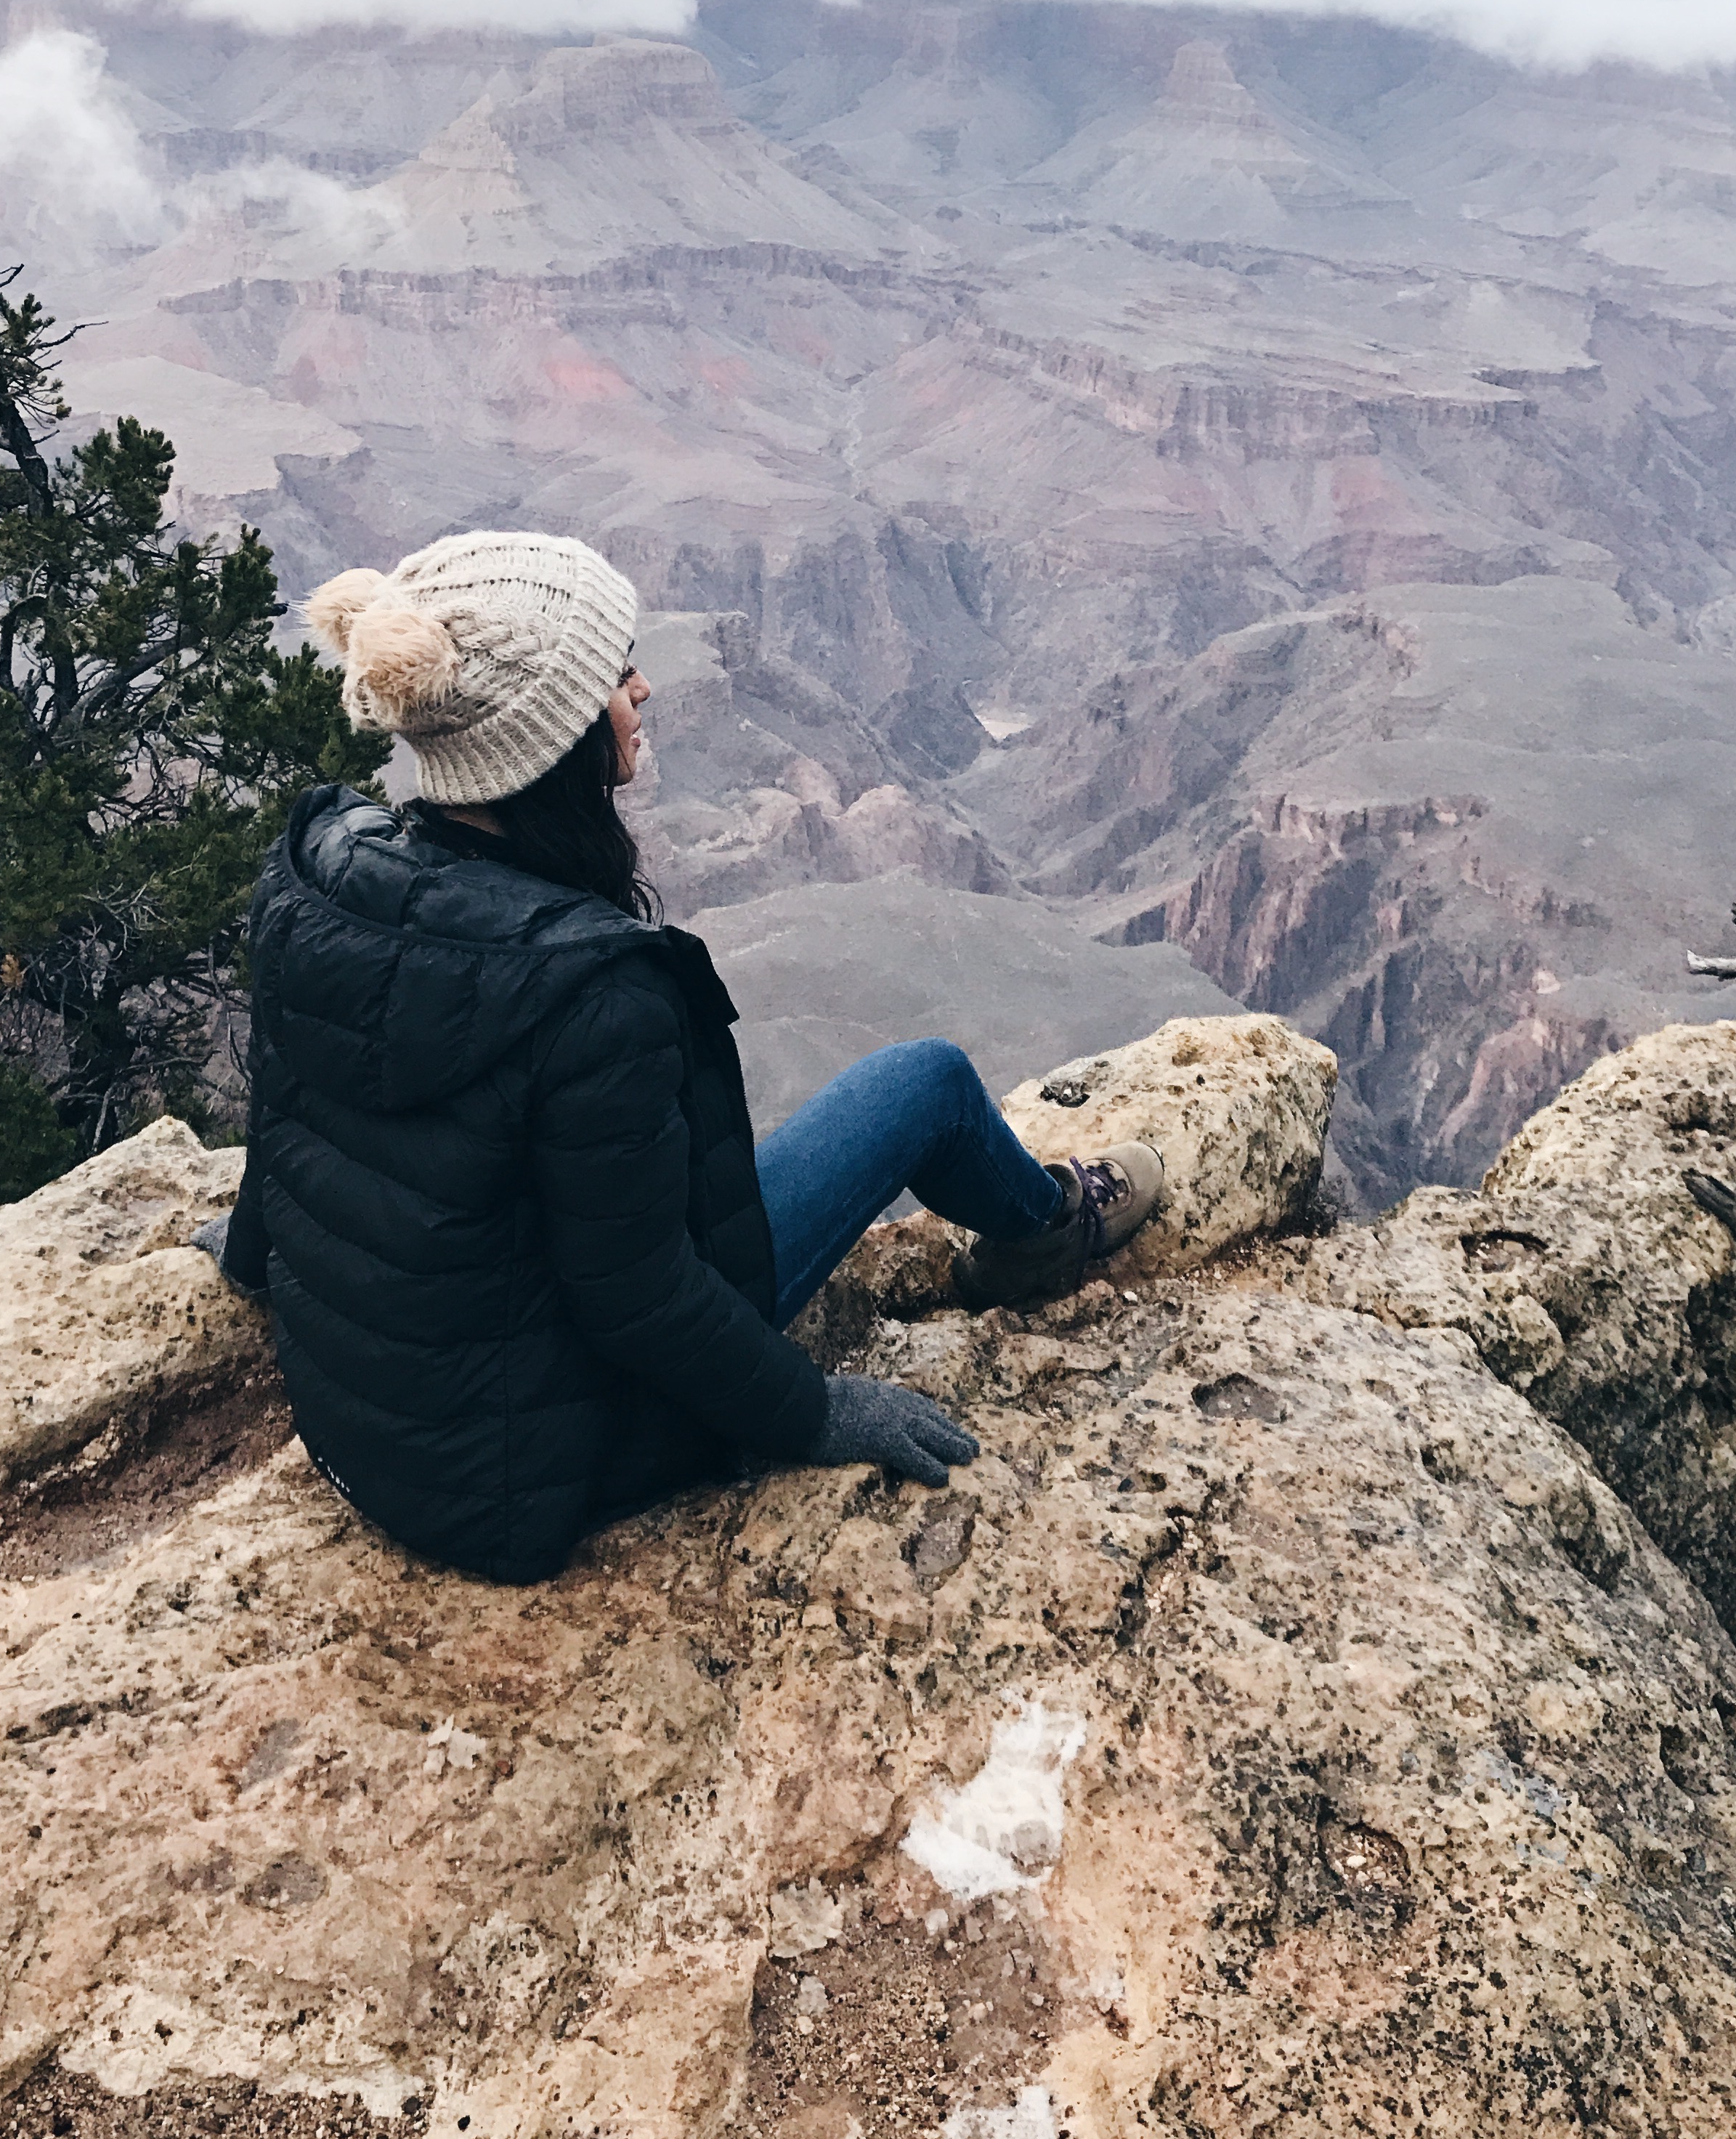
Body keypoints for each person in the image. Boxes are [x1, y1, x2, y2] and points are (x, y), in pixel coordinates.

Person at [194, 529, 1163, 1585]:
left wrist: (257, 1257)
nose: (644, 690)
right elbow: (639, 1298)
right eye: (616, 675)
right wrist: (814, 1409)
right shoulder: (593, 991)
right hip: (541, 1473)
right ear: (550, 736)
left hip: (373, 1439)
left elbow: (293, 1113)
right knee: (924, 1082)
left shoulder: (319, 873)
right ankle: (1050, 1230)